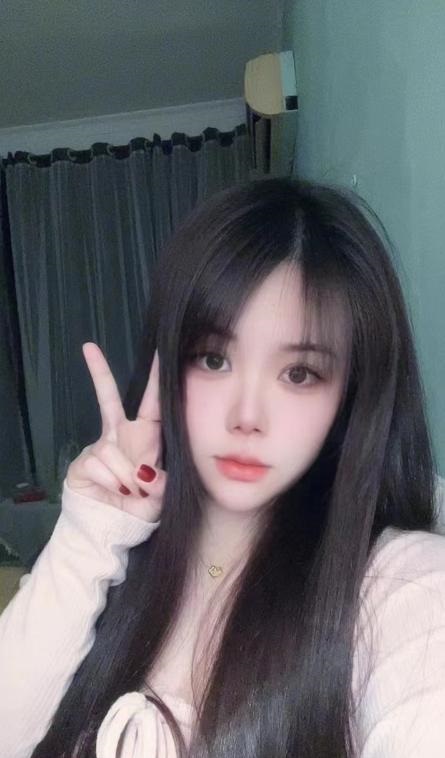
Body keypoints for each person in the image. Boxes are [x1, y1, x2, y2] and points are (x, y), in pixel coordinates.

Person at [0, 177, 444, 758]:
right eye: (214, 359)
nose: (246, 416)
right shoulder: (116, 558)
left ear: (350, 396)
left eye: (299, 374)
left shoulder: (400, 586)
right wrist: (90, 532)